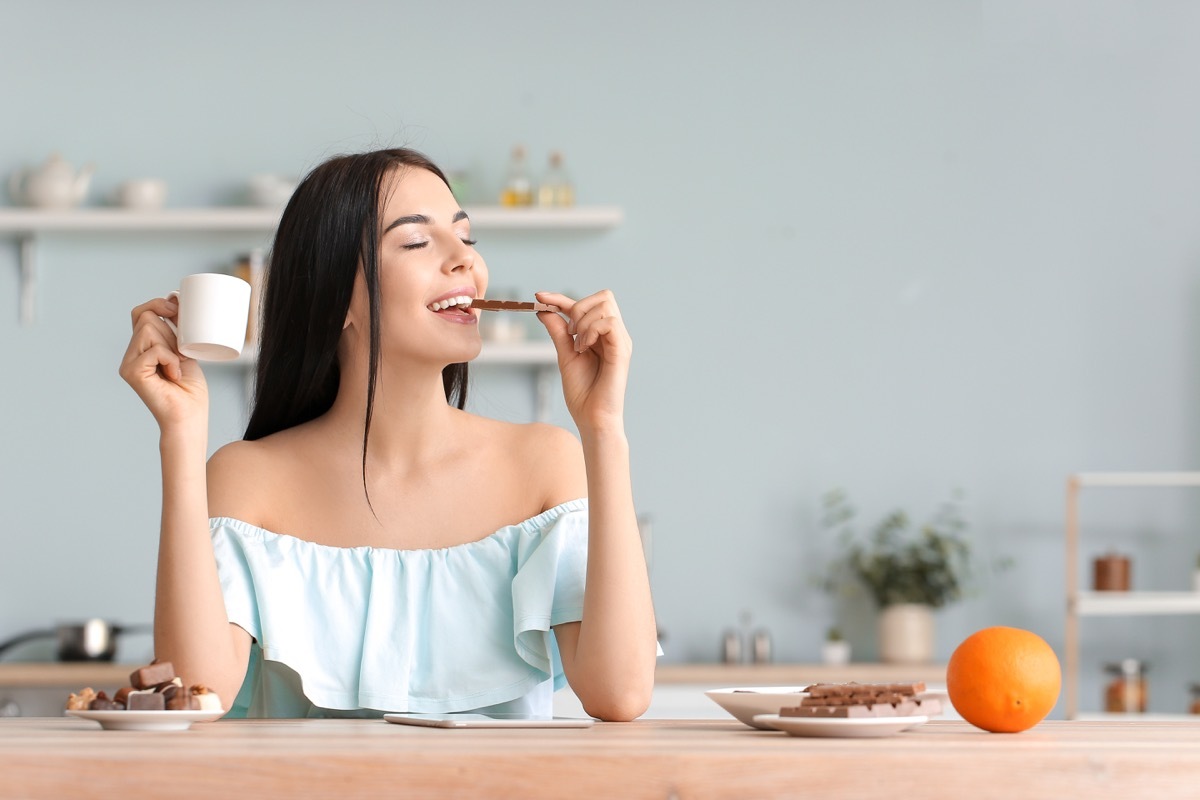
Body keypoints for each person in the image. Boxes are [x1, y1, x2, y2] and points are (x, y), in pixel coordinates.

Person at [119, 148, 658, 720]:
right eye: (416, 242)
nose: (465, 262)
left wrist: (604, 429)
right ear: (336, 299)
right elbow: (195, 694)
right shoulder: (245, 479)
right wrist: (180, 434)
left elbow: (619, 693)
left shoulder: (546, 463)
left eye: (467, 238)